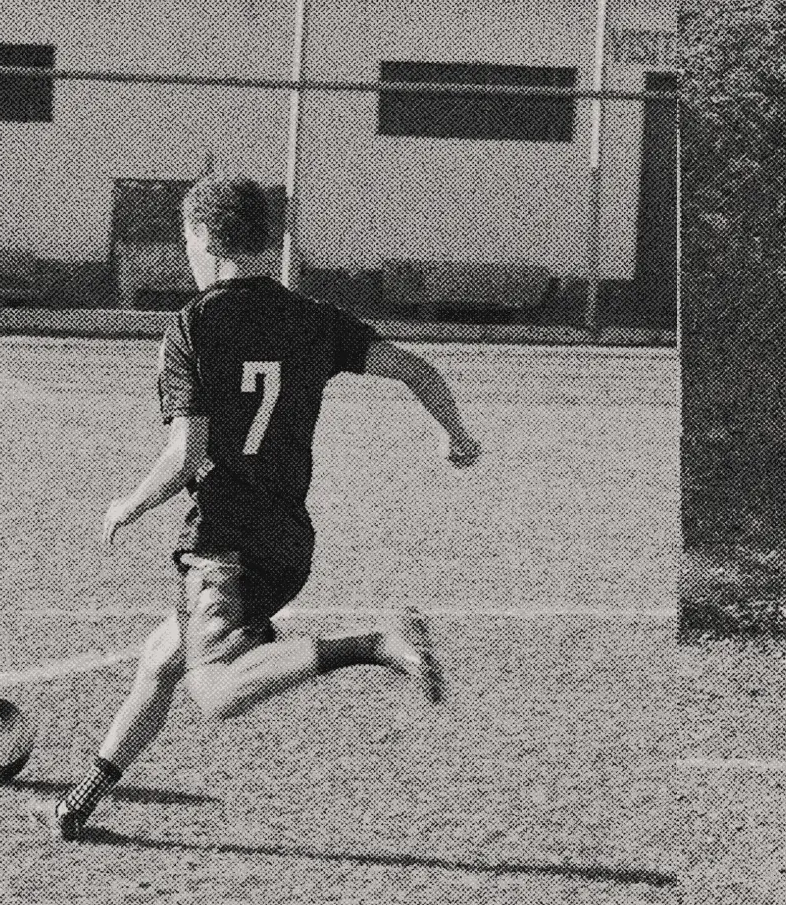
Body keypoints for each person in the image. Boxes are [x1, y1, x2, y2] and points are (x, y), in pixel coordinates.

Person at [29, 175, 482, 840]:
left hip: (223, 543)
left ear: (203, 240)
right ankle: (78, 807)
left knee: (212, 691)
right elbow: (417, 368)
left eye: (185, 237)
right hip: (289, 542)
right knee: (162, 659)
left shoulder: (191, 328)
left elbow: (186, 456)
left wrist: (128, 503)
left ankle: (376, 643)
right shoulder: (314, 320)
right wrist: (456, 436)